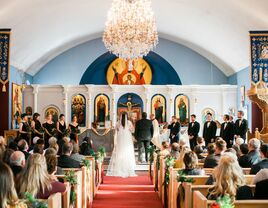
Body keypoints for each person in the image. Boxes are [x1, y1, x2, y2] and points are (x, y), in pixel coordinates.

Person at [107, 112, 137, 177]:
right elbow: (133, 131)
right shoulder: (129, 123)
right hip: (127, 139)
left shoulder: (118, 123)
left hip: (120, 139)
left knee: (120, 153)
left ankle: (119, 168)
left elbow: (116, 130)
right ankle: (128, 168)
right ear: (126, 116)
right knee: (127, 153)